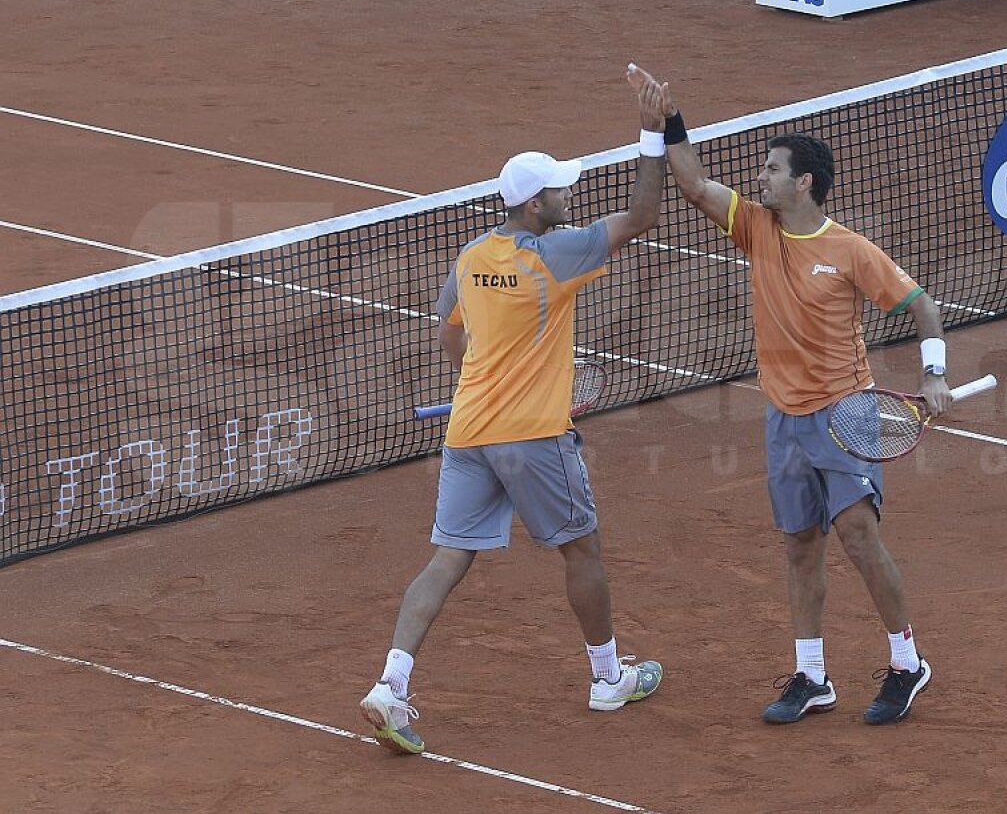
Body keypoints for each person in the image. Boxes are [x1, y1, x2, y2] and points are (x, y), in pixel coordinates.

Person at [359, 66, 668, 754]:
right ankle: (607, 677)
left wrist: (482, 373)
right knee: (581, 549)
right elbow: (645, 215)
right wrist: (651, 131)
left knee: (446, 560)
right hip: (534, 437)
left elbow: (448, 330)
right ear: (536, 207)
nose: (568, 194)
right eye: (560, 188)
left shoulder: (472, 257)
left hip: (467, 432)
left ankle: (390, 686)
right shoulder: (556, 253)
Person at [637, 68, 952, 726]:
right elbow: (692, 182)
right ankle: (812, 675)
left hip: (845, 414)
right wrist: (669, 118)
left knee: (858, 534)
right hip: (783, 419)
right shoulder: (755, 227)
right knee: (800, 545)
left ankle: (906, 662)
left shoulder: (850, 250)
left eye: (773, 170)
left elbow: (922, 307)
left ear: (803, 181)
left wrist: (935, 373)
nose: (761, 178)